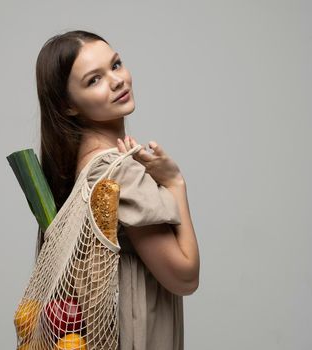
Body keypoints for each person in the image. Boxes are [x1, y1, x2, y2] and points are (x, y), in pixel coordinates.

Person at [34, 30, 200, 350]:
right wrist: (175, 184)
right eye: (94, 80)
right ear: (68, 106)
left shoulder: (78, 168)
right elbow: (184, 277)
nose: (117, 80)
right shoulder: (118, 171)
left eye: (116, 64)